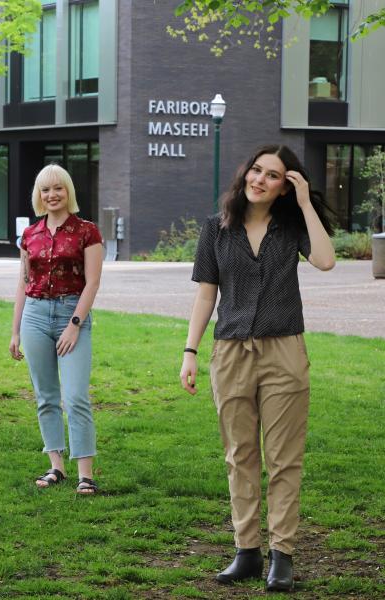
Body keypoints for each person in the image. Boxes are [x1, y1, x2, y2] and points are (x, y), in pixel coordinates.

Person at [180, 145, 335, 592]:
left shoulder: (291, 228)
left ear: (285, 186)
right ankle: (246, 551)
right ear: (245, 173)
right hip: (230, 353)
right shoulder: (216, 229)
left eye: (273, 176)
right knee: (239, 456)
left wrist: (305, 203)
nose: (260, 179)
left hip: (284, 350)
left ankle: (281, 554)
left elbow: (326, 261)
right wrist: (190, 352)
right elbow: (206, 295)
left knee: (285, 459)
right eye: (257, 170)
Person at [9, 164, 104, 494]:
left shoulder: (86, 231)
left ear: (68, 191)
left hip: (71, 312)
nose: (52, 195)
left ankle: (85, 473)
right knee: (45, 397)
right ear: (38, 195)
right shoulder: (29, 235)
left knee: (75, 396)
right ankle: (56, 467)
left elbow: (92, 282)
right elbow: (23, 283)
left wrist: (75, 325)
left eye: (58, 188)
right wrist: (16, 330)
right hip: (34, 315)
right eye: (45, 190)